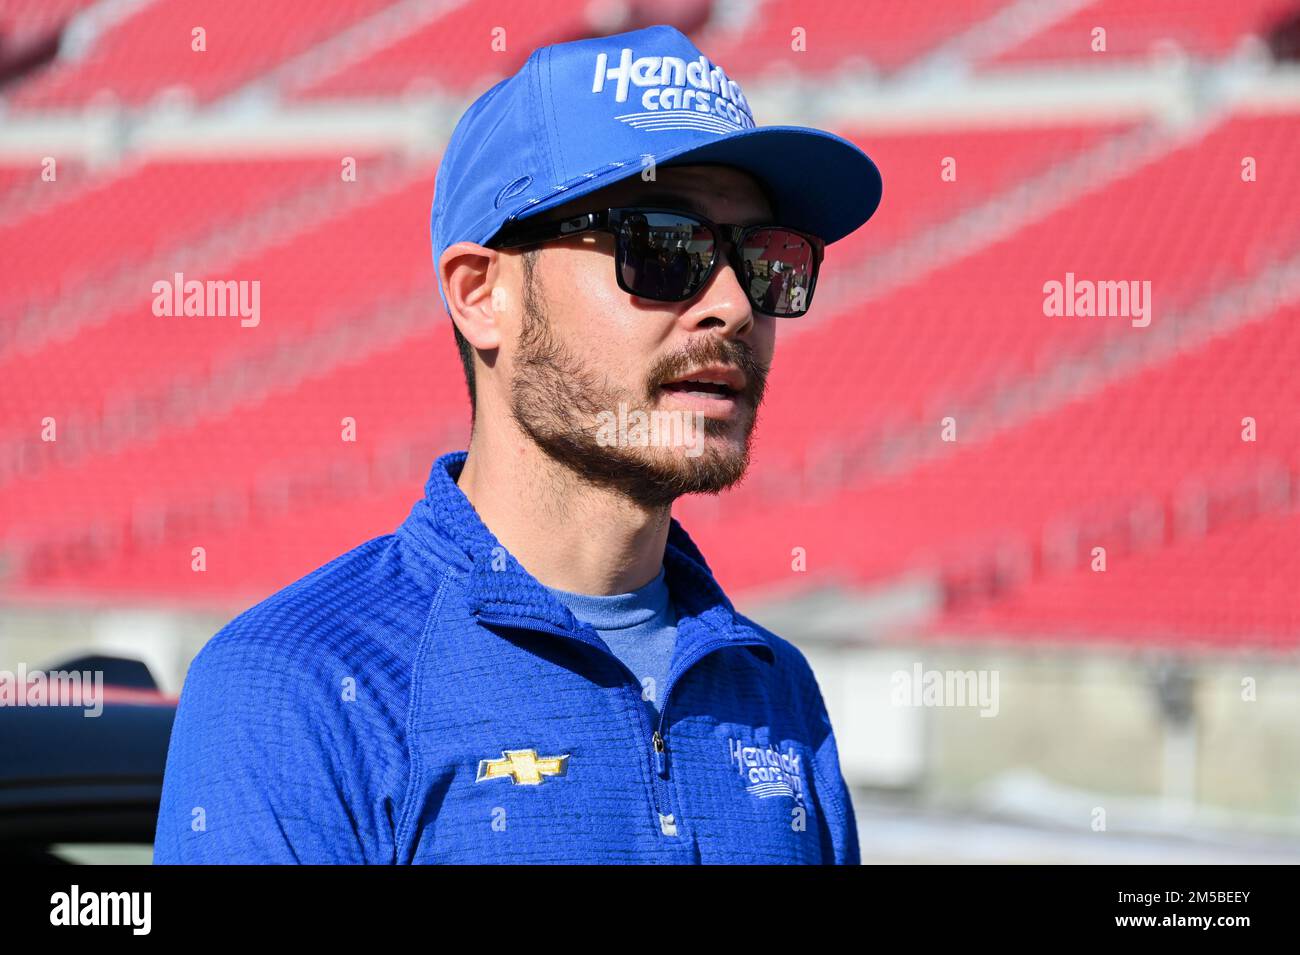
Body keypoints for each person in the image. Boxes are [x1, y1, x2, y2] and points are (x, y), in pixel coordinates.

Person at [153, 23, 881, 864]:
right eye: (664, 245)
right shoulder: (294, 689)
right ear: (481, 293)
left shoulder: (774, 692)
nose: (734, 306)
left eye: (765, 258)